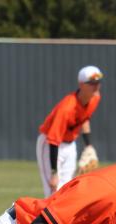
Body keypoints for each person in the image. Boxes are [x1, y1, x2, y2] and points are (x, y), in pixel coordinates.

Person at [36, 65, 103, 197]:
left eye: (98, 82)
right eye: (92, 83)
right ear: (82, 85)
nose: (96, 86)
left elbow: (84, 119)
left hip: (70, 144)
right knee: (53, 193)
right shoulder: (66, 108)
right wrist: (54, 173)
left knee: (68, 191)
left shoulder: (95, 98)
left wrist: (88, 145)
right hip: (50, 145)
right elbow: (53, 140)